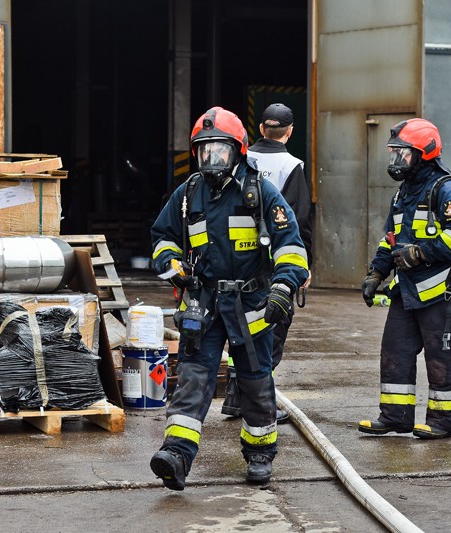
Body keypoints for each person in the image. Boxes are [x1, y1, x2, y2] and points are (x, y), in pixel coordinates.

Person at [149, 106, 309, 489]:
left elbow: (291, 246)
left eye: (219, 150)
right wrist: (171, 264)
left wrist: (284, 287)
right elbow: (162, 237)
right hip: (203, 302)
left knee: (254, 380)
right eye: (204, 151)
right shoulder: (188, 193)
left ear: (237, 150)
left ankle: (259, 453)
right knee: (193, 376)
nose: (211, 158)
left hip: (250, 304)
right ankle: (177, 454)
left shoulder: (259, 191)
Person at [359, 118, 451, 440]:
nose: (396, 160)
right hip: (407, 291)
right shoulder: (403, 195)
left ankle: (441, 422)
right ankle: (396, 417)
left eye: (403, 153)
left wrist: (422, 253)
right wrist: (376, 273)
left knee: (441, 356)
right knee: (394, 351)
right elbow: (390, 239)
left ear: (423, 153)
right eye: (394, 152)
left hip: (440, 291)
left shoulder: (447, 190)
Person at [221, 103, 313, 423]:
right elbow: (299, 219)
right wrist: (302, 267)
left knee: (241, 325)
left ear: (260, 129)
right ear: (289, 132)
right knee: (270, 329)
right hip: (276, 265)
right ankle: (259, 401)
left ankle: (235, 397)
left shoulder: (240, 159)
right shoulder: (293, 166)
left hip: (239, 261)